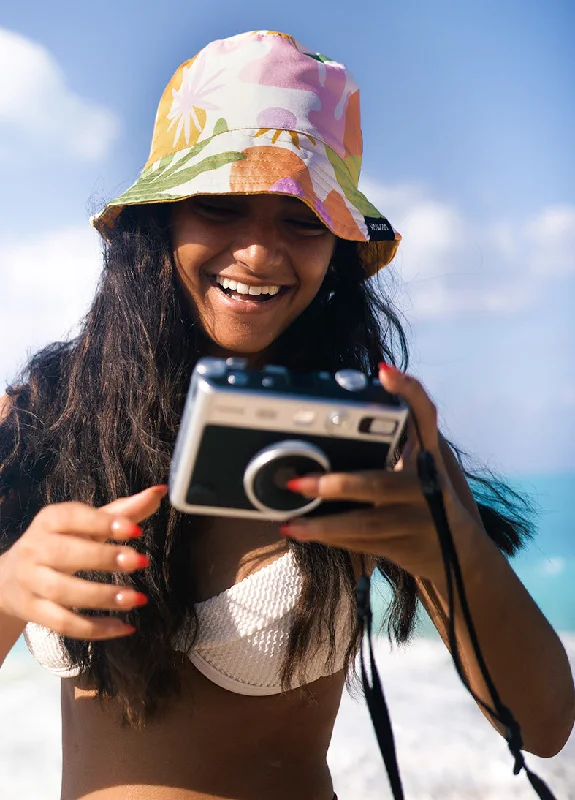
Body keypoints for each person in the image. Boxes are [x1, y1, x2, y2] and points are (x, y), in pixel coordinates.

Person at [0, 30, 573, 800]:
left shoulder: (370, 439)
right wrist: (8, 587)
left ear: (336, 245)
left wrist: (447, 550)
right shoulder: (46, 415)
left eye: (301, 220)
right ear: (159, 222)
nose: (261, 252)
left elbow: (542, 726)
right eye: (220, 205)